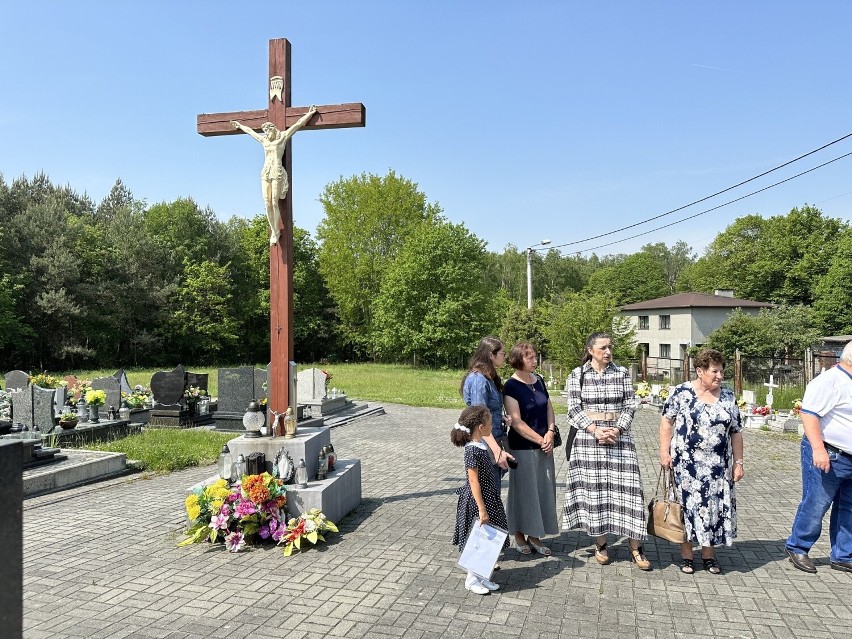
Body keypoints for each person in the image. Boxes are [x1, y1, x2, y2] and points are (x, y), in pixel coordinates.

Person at [562, 332, 650, 570]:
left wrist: (618, 430)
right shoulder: (577, 375)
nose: (608, 352)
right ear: (591, 350)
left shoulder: (621, 373)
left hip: (619, 439)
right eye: (603, 348)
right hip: (589, 441)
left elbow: (630, 405)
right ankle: (600, 544)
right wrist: (594, 430)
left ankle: (636, 547)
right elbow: (573, 409)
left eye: (610, 347)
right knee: (596, 493)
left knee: (630, 493)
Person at [659, 348, 744, 575]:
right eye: (714, 371)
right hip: (686, 466)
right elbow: (667, 422)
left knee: (713, 509)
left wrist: (739, 462)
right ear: (700, 371)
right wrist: (664, 453)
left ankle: (708, 554)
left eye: (722, 371)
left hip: (717, 466)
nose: (719, 376)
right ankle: (687, 555)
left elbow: (735, 431)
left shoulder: (727, 396)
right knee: (686, 508)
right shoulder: (682, 392)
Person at [785, 341, 852, 574]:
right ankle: (798, 546)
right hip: (829, 453)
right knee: (816, 503)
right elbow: (809, 415)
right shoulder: (828, 381)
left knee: (849, 508)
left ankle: (843, 554)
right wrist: (818, 449)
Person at [231, 104, 318, 245]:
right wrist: (240, 125)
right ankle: (274, 230)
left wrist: (310, 114)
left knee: (274, 202)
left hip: (277, 171)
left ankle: (276, 231)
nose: (265, 133)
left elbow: (297, 124)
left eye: (267, 130)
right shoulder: (264, 140)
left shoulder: (282, 137)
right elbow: (251, 132)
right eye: (264, 131)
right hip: (266, 171)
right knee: (267, 203)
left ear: (272, 129)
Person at [503, 341, 558, 556]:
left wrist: (550, 433)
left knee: (543, 490)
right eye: (531, 358)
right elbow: (516, 422)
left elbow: (549, 408)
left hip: (545, 445)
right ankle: (518, 533)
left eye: (536, 357)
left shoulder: (540, 380)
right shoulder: (511, 386)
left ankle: (534, 534)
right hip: (523, 447)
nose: (535, 361)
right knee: (524, 492)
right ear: (519, 360)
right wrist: (540, 439)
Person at [451, 405, 508, 594]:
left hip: (488, 497)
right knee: (479, 539)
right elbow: (473, 480)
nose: (494, 425)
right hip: (479, 501)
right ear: (481, 427)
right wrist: (482, 509)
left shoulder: (481, 444)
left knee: (489, 539)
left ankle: (482, 576)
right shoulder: (472, 450)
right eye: (491, 423)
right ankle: (471, 579)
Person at [461, 336, 513, 481]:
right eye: (502, 353)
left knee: (492, 494)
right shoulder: (479, 380)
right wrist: (497, 451)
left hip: (493, 440)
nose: (504, 357)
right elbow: (479, 419)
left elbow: (487, 411)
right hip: (485, 446)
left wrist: (499, 417)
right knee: (487, 496)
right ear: (491, 354)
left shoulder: (489, 378)